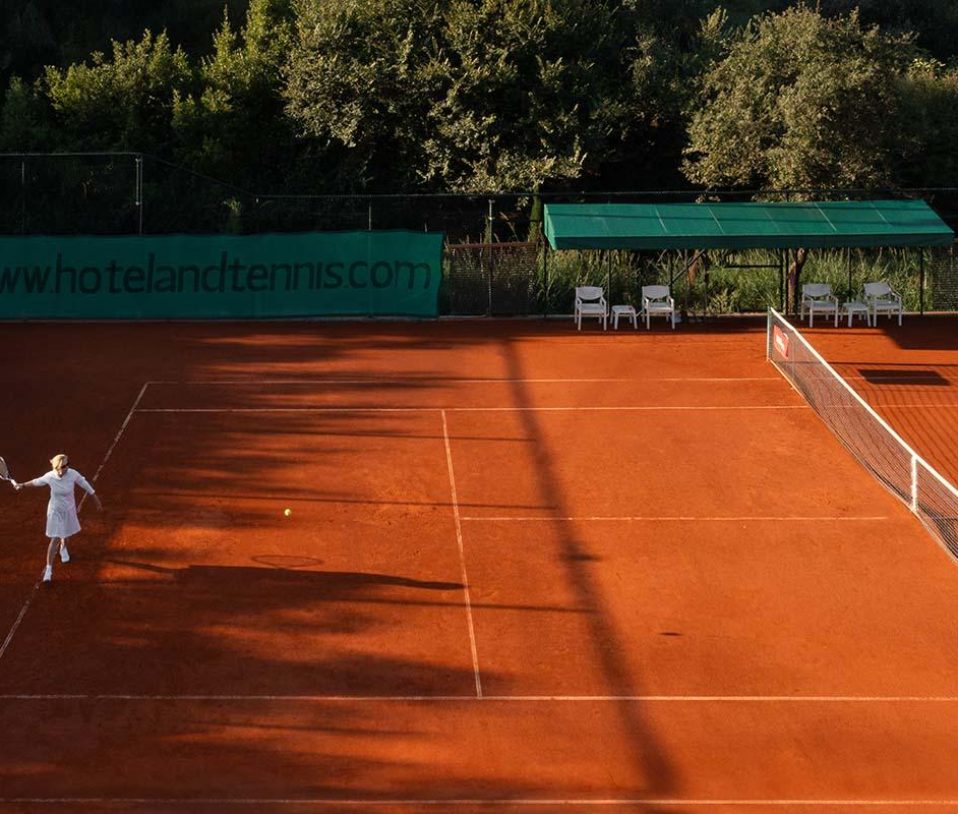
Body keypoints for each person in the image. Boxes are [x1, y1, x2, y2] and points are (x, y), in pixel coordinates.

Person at [13, 453, 103, 584]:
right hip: (55, 511)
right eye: (60, 467)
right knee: (55, 538)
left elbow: (85, 485)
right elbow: (36, 482)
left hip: (69, 510)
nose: (63, 470)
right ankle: (49, 570)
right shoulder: (50, 476)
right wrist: (22, 485)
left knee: (66, 534)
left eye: (65, 466)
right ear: (55, 467)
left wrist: (96, 500)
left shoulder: (72, 474)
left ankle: (63, 548)